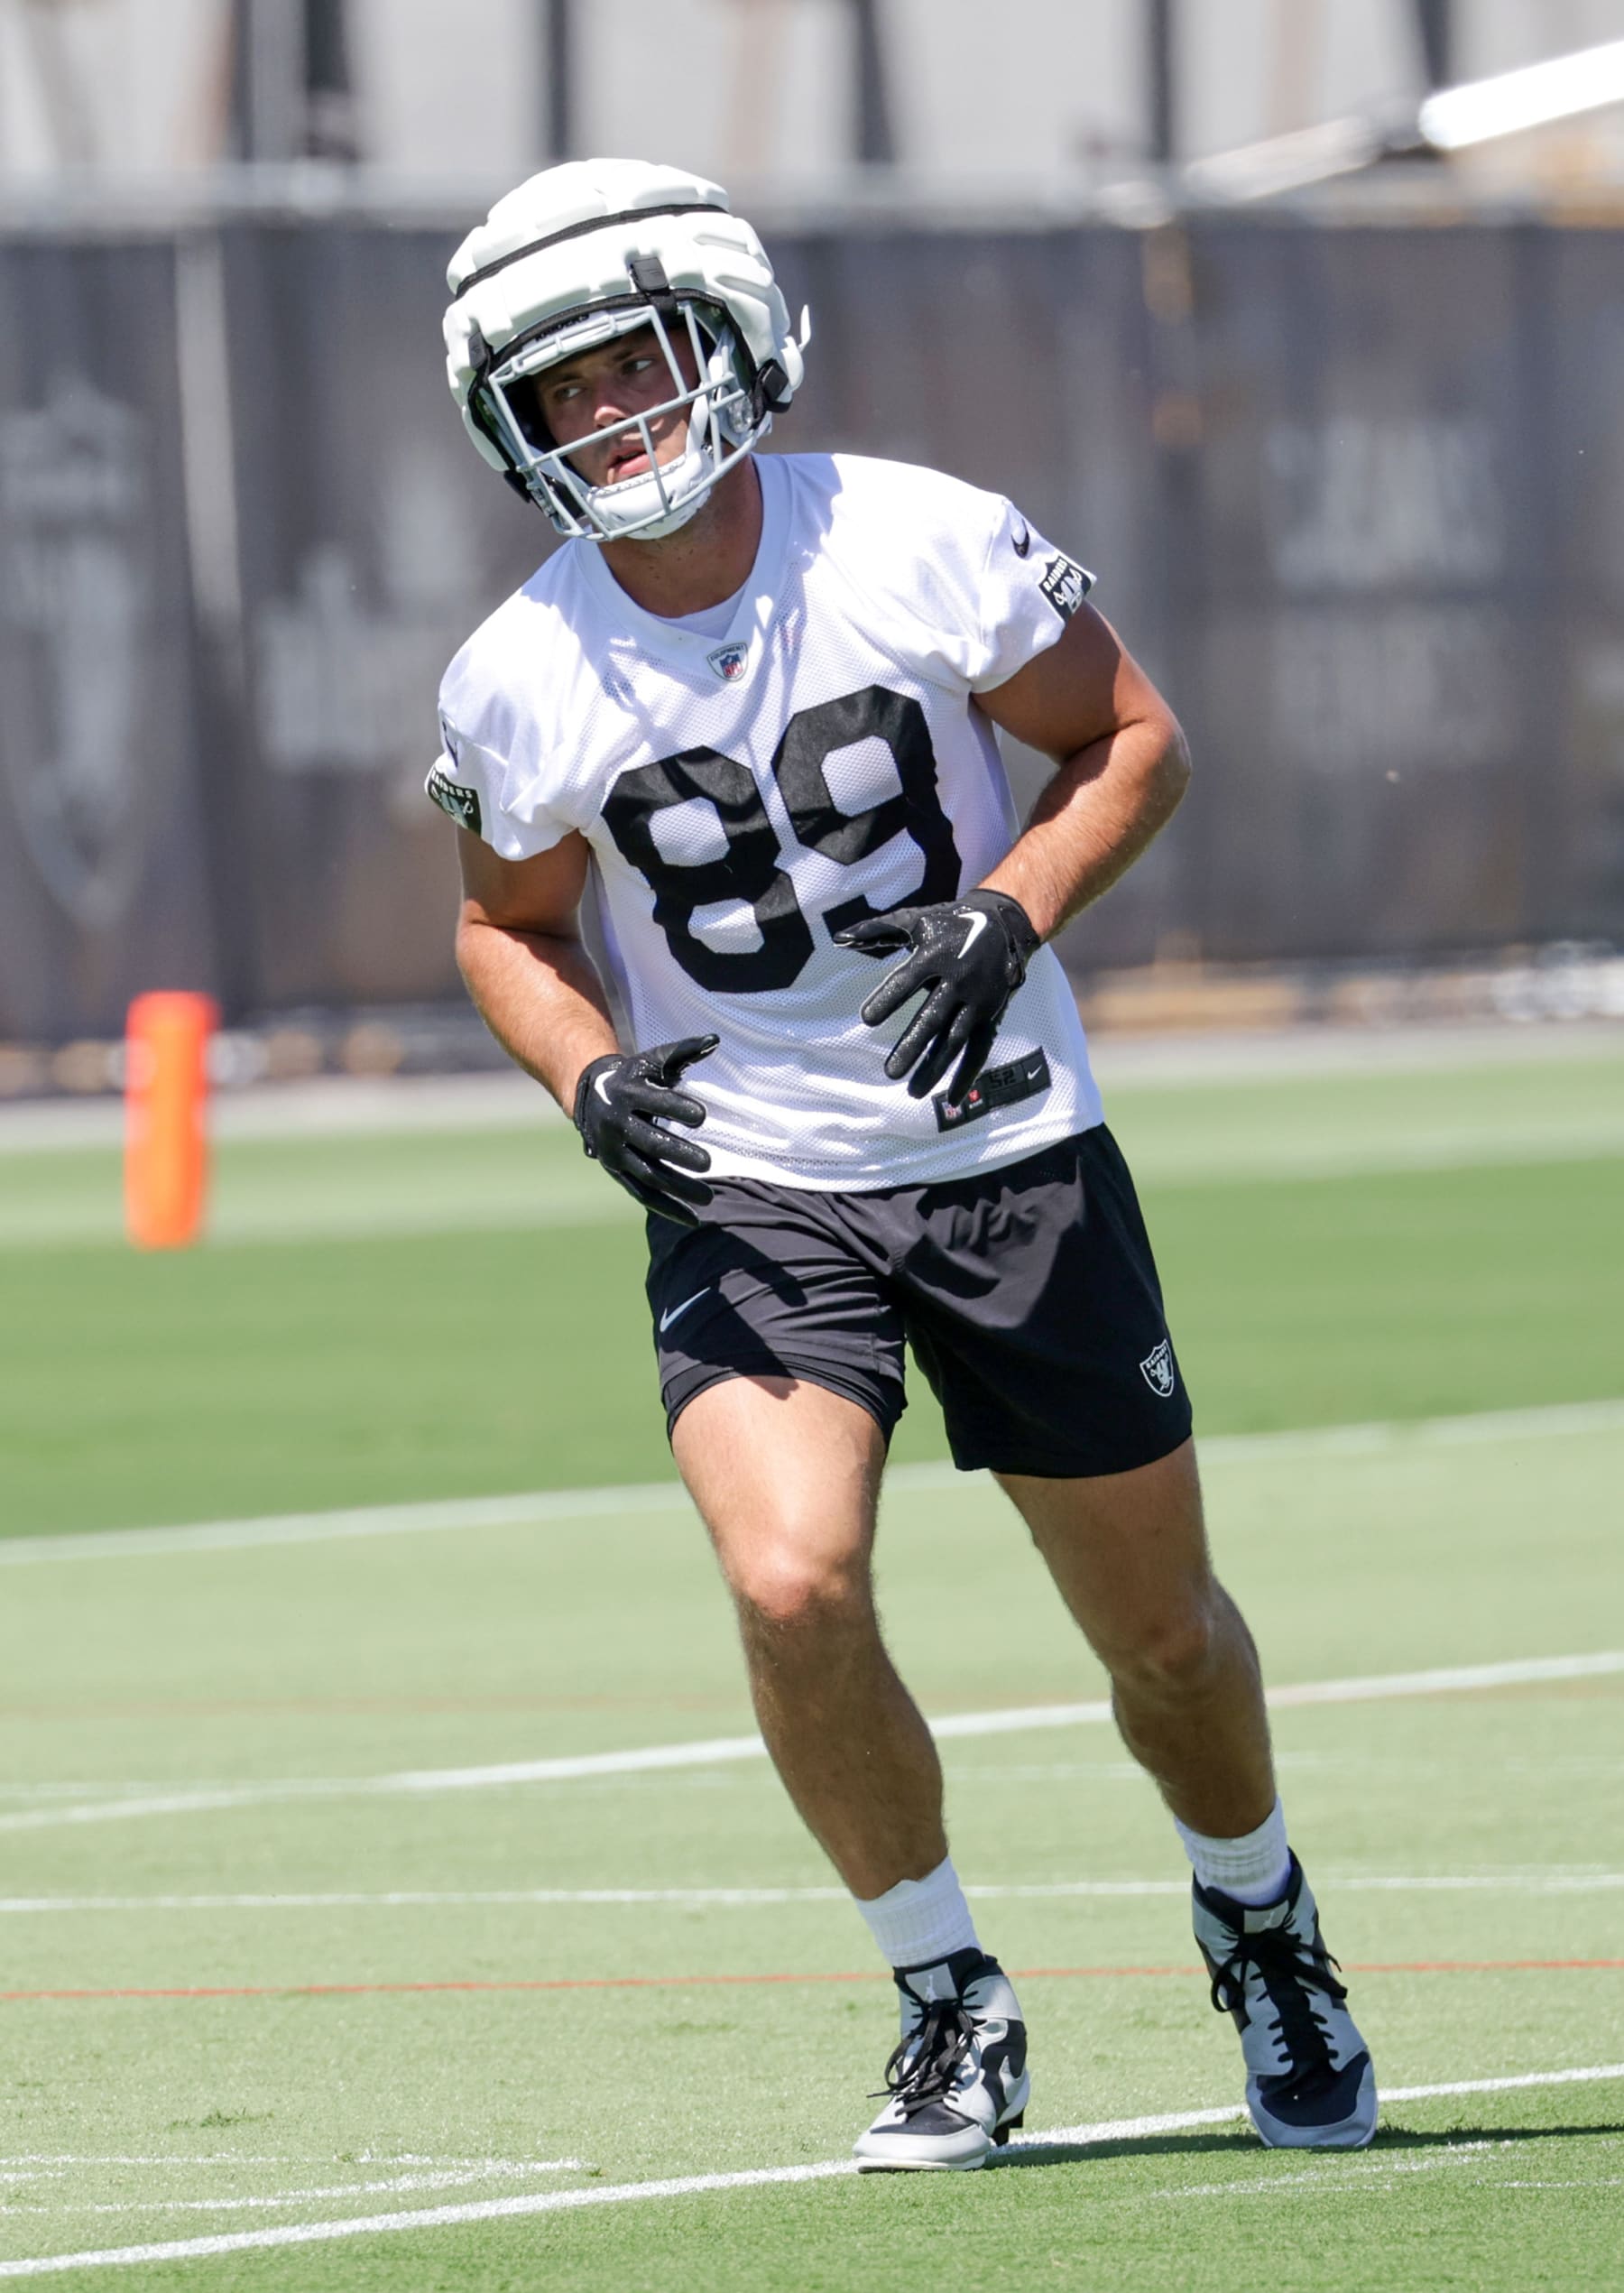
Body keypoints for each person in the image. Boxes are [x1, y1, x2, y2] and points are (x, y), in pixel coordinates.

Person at [430, 157, 1377, 2171]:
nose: (608, 415)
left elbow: (1132, 738)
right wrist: (589, 1076)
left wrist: (1014, 910)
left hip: (1008, 1142)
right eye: (563, 391)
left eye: (631, 363)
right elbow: (504, 925)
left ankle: (1261, 1914)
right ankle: (947, 1992)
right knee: (790, 1577)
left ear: (726, 333)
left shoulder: (913, 536)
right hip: (755, 1177)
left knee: (1164, 1639)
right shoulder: (518, 671)